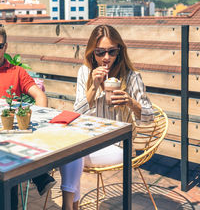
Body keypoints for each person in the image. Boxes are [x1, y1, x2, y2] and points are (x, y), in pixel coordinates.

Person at [60, 24, 154, 209]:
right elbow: (76, 114)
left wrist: (131, 102)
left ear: (119, 51)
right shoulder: (85, 73)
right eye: (100, 52)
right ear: (91, 53)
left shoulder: (131, 77)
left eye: (112, 52)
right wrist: (94, 86)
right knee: (70, 150)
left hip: (120, 144)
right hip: (90, 139)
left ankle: (67, 206)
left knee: (70, 153)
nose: (106, 58)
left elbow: (149, 117)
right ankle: (69, 206)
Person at [0, 27, 56, 210]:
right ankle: (39, 175)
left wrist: (37, 116)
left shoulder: (16, 72)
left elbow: (40, 96)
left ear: (5, 46)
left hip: (9, 137)